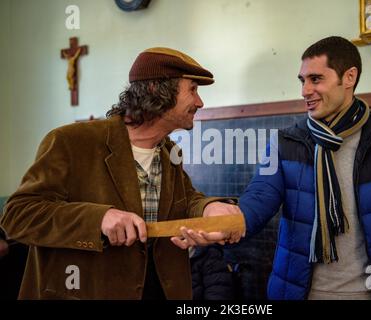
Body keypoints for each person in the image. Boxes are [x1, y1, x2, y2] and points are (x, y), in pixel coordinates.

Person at [0, 47, 242, 300]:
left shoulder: (169, 152)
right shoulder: (70, 141)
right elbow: (18, 215)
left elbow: (185, 201)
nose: (200, 102)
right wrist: (99, 219)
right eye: (192, 89)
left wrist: (208, 209)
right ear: (156, 89)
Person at [234, 36, 371, 300]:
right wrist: (223, 221)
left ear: (349, 78)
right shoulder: (284, 144)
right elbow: (258, 199)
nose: (304, 91)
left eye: (315, 79)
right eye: (302, 81)